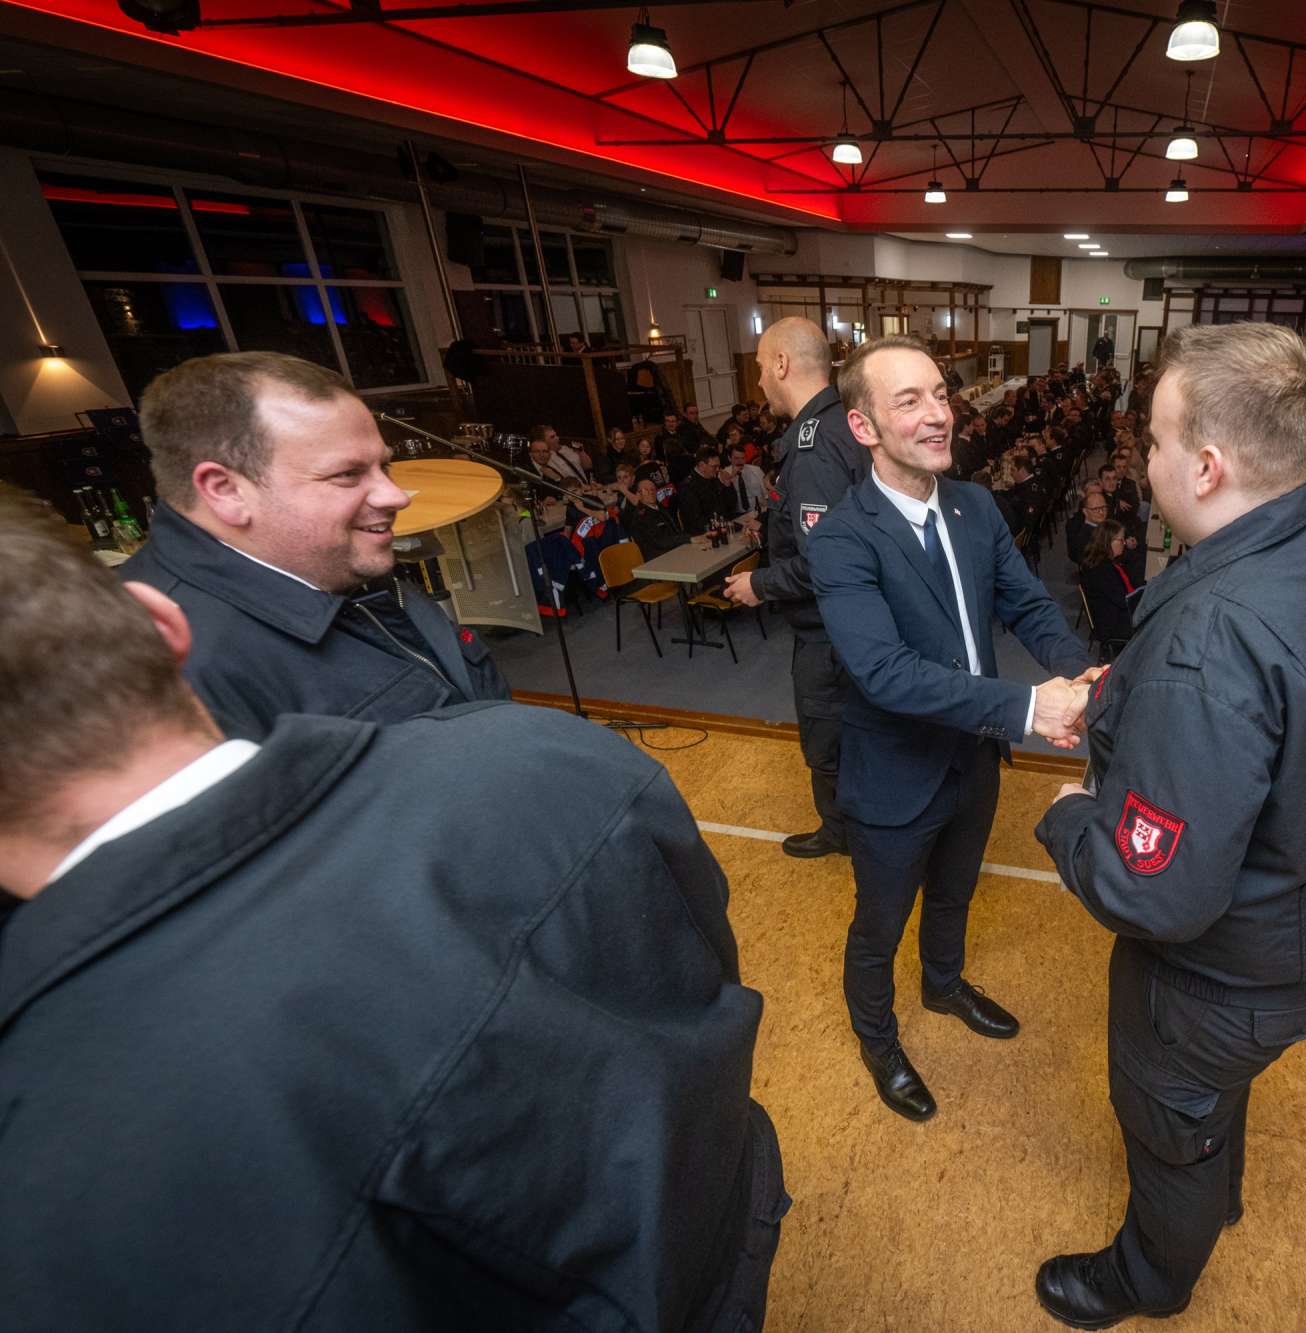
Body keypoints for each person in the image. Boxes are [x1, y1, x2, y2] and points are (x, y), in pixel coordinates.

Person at [0, 492, 784, 1333]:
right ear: (159, 623)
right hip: (730, 1234)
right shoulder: (550, 751)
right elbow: (704, 981)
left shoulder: (48, 1182)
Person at [1033, 323, 1306, 1329]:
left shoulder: (1213, 635)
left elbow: (1154, 892)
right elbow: (1286, 716)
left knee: (1169, 1123)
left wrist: (1068, 819)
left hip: (1217, 978)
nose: (1144, 459)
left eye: (1153, 440)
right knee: (1207, 1105)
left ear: (1204, 465)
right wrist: (1133, 695)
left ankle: (1148, 1280)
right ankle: (1213, 1188)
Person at [809, 335, 1096, 1124]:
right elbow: (885, 672)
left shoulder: (975, 506)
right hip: (895, 776)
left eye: (940, 394)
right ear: (863, 426)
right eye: (910, 401)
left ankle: (942, 985)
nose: (939, 414)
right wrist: (1031, 707)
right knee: (879, 925)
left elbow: (1029, 604)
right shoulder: (840, 538)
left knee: (955, 893)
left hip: (973, 759)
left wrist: (1081, 676)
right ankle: (879, 1041)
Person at [117, 352, 510, 741]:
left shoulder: (336, 564)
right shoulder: (169, 680)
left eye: (384, 467)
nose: (395, 496)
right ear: (227, 491)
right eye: (348, 474)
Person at [722, 317, 871, 859]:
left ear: (782, 364)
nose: (761, 381)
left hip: (829, 635)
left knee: (828, 743)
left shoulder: (814, 446)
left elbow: (823, 562)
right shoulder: (844, 423)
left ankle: (845, 835)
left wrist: (759, 584)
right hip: (852, 625)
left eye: (763, 367)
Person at [1078, 519, 1144, 650]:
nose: (1124, 543)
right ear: (1108, 542)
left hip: (1116, 611)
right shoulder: (1101, 571)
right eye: (1121, 540)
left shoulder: (1107, 561)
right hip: (1113, 623)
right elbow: (1123, 601)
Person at [675, 447, 743, 533]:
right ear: (702, 465)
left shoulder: (713, 479)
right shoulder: (687, 487)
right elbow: (696, 521)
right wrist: (723, 526)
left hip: (722, 524)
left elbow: (731, 505)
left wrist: (727, 485)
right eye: (714, 466)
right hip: (704, 532)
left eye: (719, 466)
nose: (718, 470)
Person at [1069, 486, 1109, 565]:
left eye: (1103, 507)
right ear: (1085, 512)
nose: (1101, 512)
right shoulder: (1085, 537)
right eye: (1095, 509)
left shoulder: (1105, 523)